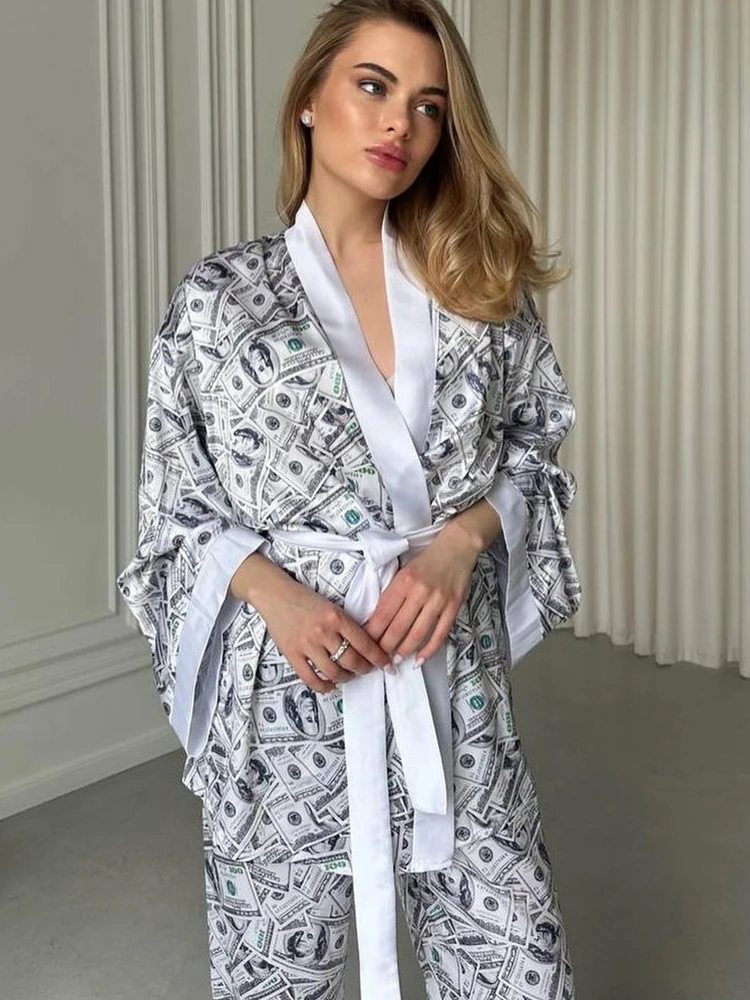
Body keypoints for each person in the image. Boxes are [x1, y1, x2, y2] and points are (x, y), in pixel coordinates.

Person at [116, 1, 582, 998]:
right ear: (309, 101)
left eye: (429, 105)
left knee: (515, 962)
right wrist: (274, 595)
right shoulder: (219, 299)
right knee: (276, 973)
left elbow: (537, 445)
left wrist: (461, 541)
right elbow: (175, 503)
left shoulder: (479, 284)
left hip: (448, 677)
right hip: (287, 691)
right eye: (373, 86)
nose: (400, 124)